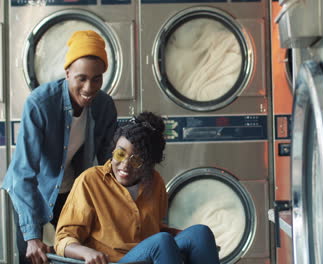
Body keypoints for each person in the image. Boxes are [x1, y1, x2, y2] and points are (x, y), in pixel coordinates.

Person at [1, 30, 118, 264]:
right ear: (67, 74)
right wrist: (32, 236)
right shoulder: (40, 103)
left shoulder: (103, 105)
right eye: (81, 78)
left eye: (97, 78)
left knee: (76, 256)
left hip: (71, 191)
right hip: (33, 192)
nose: (89, 87)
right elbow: (24, 173)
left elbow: (110, 163)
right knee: (33, 256)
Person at [54, 112, 220, 264]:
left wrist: (180, 235)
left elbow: (152, 228)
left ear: (148, 164)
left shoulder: (155, 182)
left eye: (136, 160)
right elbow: (63, 239)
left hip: (149, 255)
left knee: (199, 233)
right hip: (113, 261)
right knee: (161, 242)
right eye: (120, 154)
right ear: (113, 151)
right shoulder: (90, 181)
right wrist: (86, 253)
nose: (125, 165)